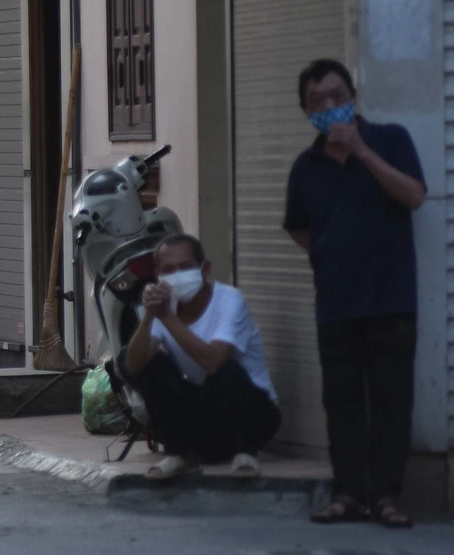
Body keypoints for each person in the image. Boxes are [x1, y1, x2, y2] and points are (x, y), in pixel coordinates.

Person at [284, 59, 426, 528]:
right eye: (317, 102)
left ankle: (386, 496)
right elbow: (299, 228)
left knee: (390, 398)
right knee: (341, 402)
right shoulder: (306, 167)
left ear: (353, 96)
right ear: (306, 112)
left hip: (391, 300)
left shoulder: (390, 140)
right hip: (337, 303)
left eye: (337, 97)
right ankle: (347, 493)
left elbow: (413, 195)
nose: (329, 107)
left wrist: (362, 151)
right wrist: (330, 254)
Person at [121, 234, 280, 481]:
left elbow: (213, 360)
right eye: (169, 270)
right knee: (148, 363)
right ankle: (179, 454)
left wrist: (166, 318)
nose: (178, 275)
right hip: (208, 414)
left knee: (225, 370)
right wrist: (150, 317)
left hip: (252, 414)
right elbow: (133, 366)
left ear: (204, 269)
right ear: (159, 277)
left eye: (185, 267)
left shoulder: (229, 300)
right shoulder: (162, 307)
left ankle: (245, 453)